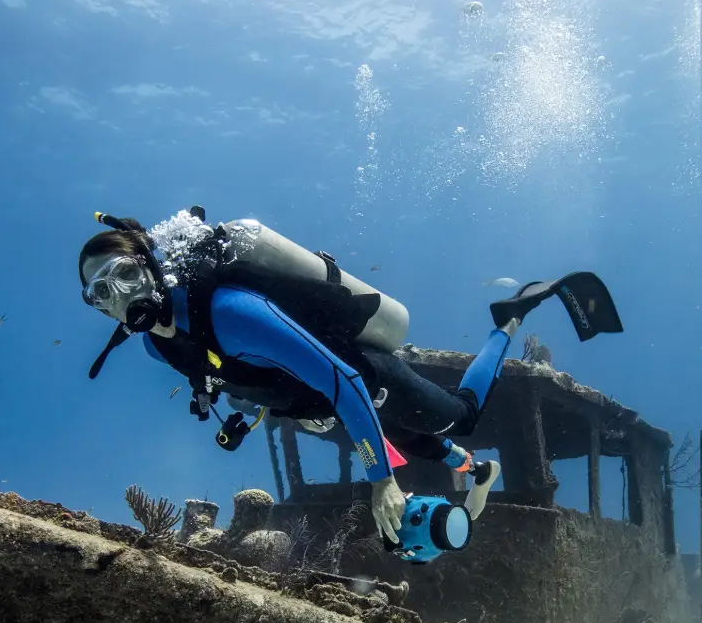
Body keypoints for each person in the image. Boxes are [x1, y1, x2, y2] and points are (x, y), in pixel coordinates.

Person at [78, 208, 623, 547]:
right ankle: (477, 469)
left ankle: (509, 318)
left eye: (124, 276)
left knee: (459, 414)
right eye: (100, 293)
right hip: (317, 407)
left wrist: (381, 481)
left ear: (149, 266)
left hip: (362, 379)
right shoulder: (156, 345)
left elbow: (342, 379)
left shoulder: (230, 312)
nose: (118, 297)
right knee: (408, 440)